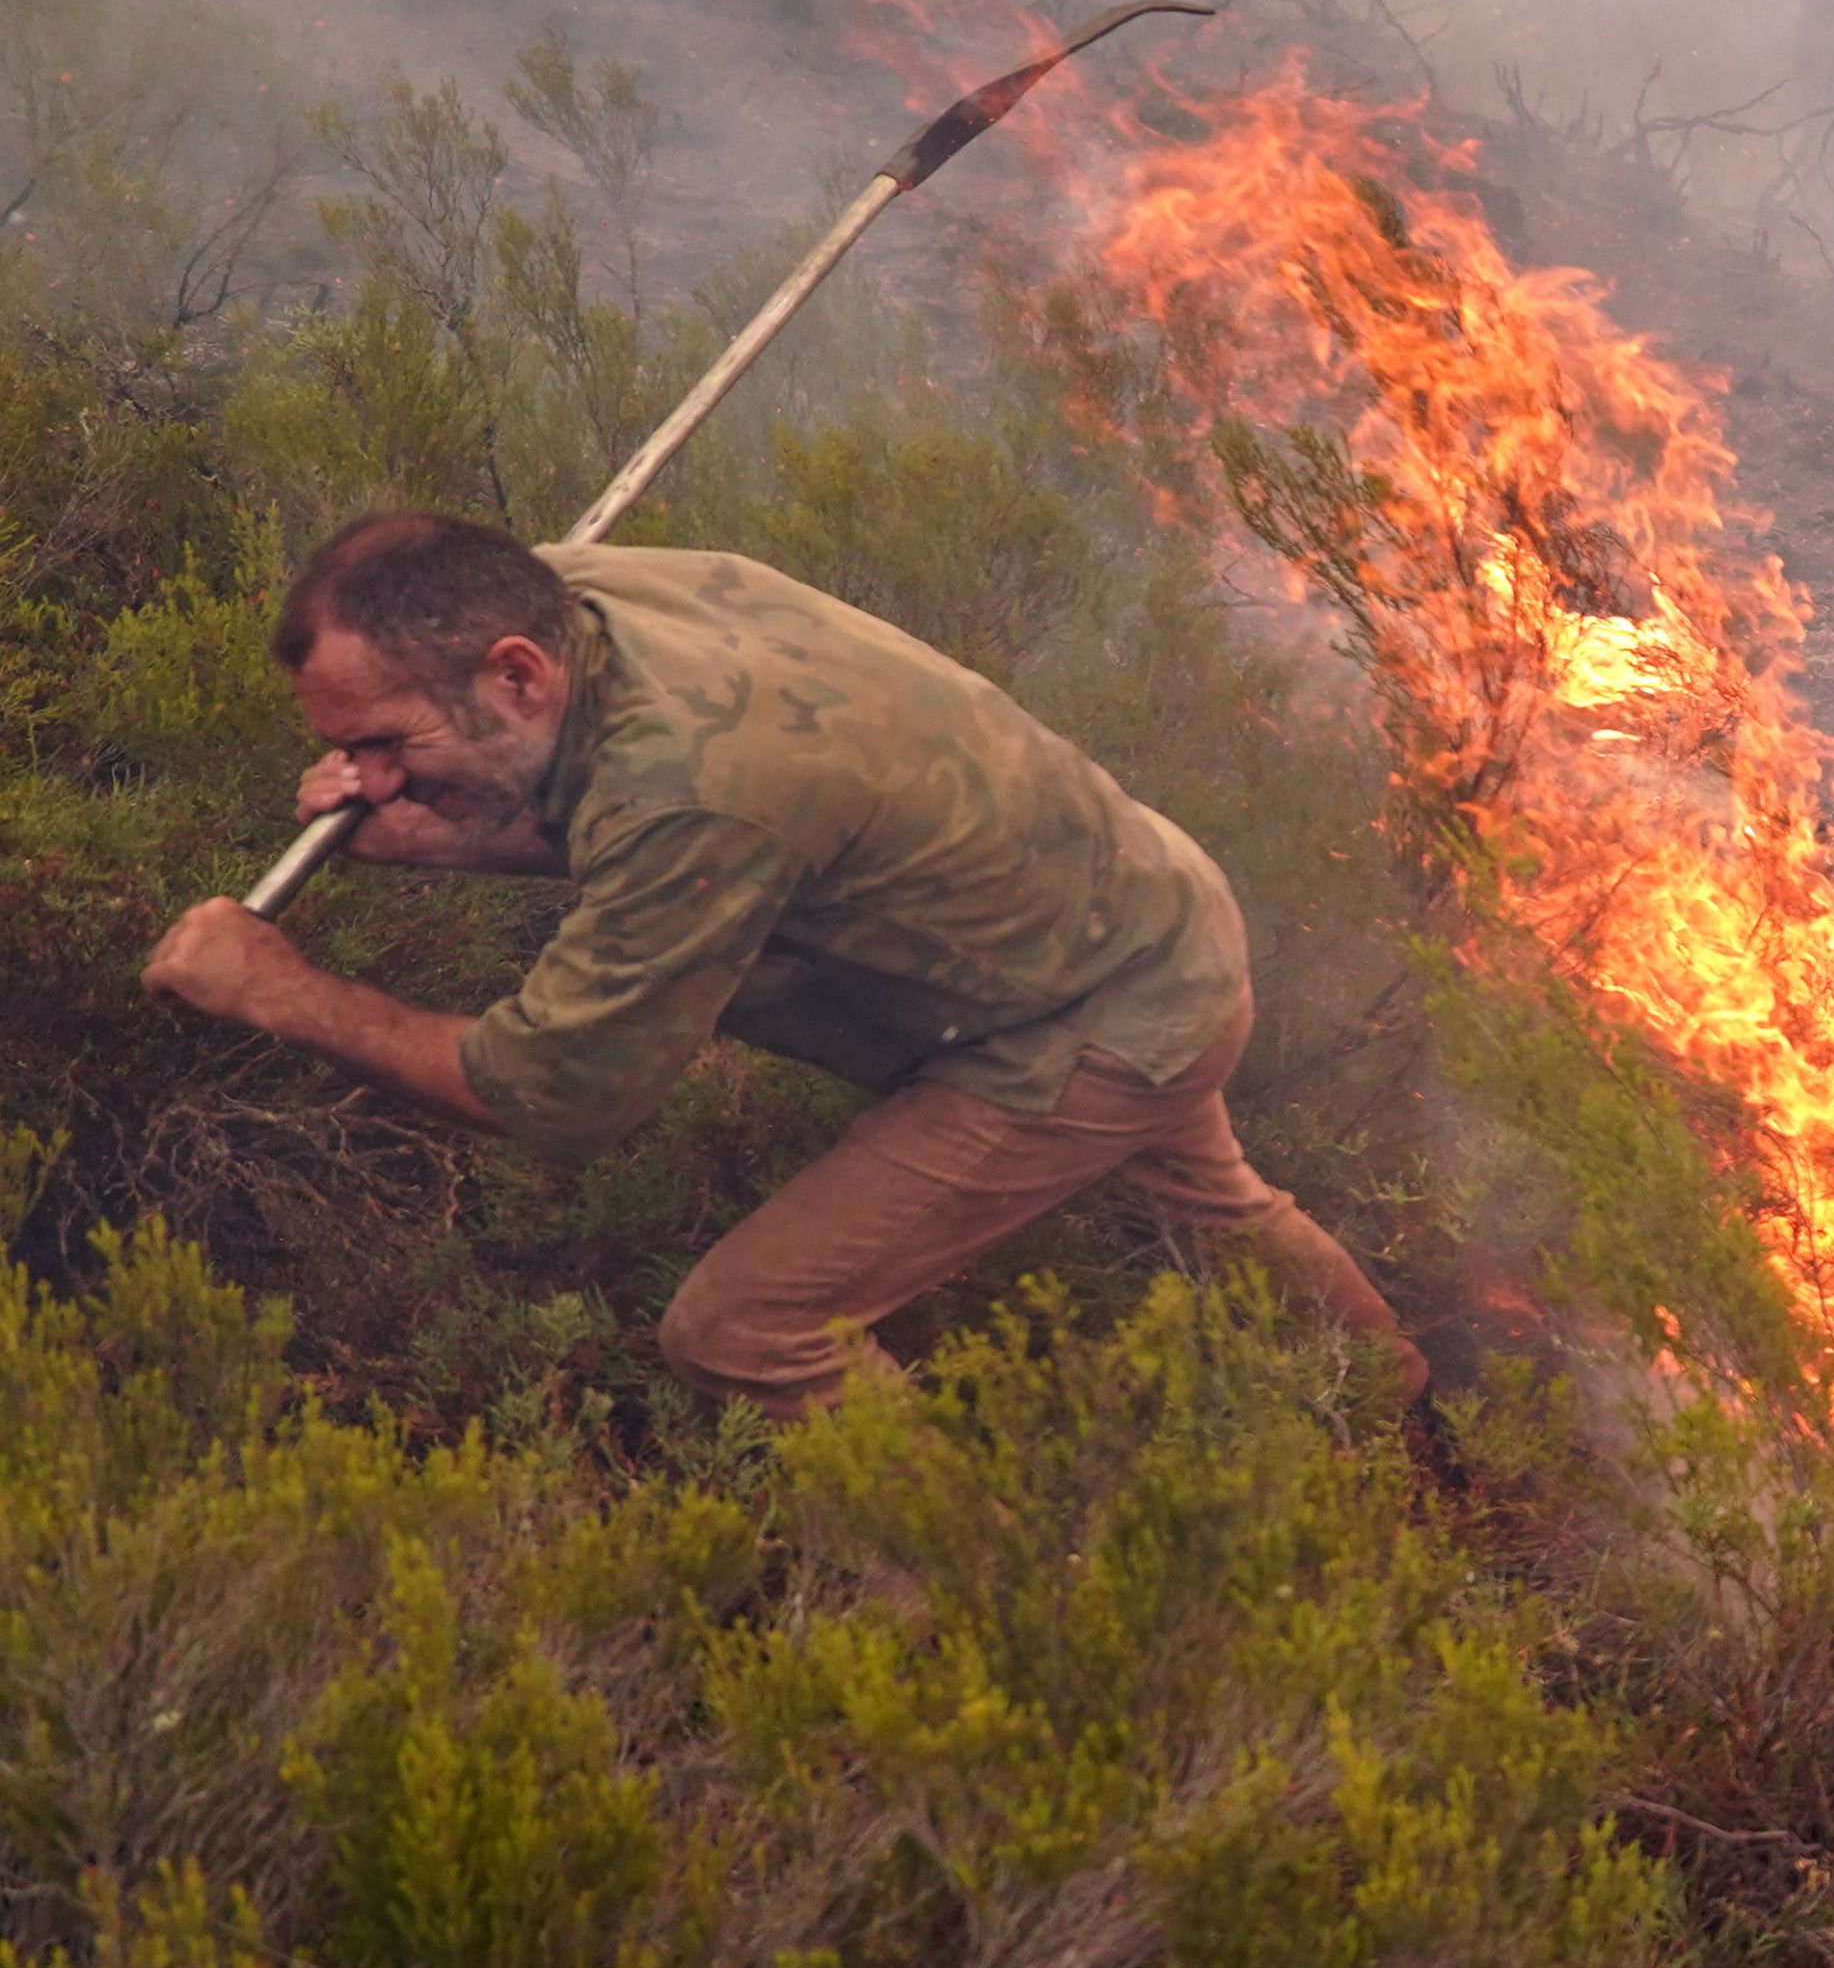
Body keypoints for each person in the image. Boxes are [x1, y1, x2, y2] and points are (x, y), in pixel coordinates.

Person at [142, 511, 1419, 1415]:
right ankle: (1420, 1423)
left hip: (1087, 1024)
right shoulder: (578, 596)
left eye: (385, 741)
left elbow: (551, 1091)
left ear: (516, 673)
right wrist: (445, 820)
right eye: (349, 751)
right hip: (1141, 912)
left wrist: (277, 990)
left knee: (747, 1331)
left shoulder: (695, 793)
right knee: (1210, 1194)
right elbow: (649, 816)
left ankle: (976, 1624)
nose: (364, 779)